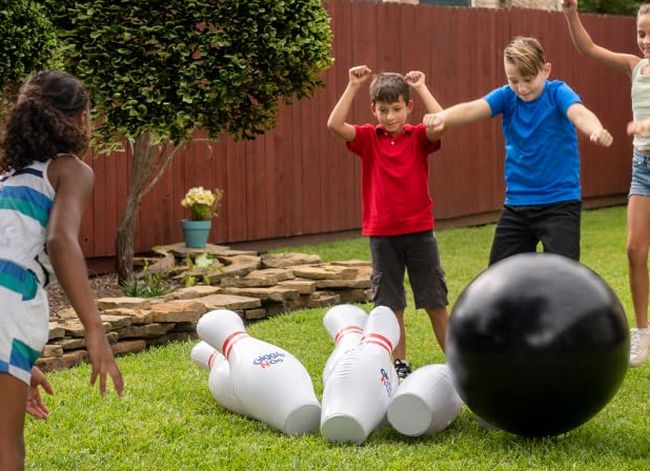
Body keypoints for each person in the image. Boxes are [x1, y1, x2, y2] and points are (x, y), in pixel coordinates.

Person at [0, 70, 124, 470]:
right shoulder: (70, 170)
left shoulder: (6, 179)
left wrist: (23, 366)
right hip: (10, 308)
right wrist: (94, 328)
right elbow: (59, 240)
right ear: (81, 118)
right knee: (6, 447)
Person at [425, 36, 612, 266]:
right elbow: (473, 108)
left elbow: (578, 112)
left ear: (546, 70)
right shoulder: (507, 96)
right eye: (513, 80)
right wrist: (442, 117)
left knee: (562, 273)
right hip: (518, 204)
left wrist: (595, 130)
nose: (521, 88)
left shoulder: (557, 93)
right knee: (500, 271)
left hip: (560, 203)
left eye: (528, 79)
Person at [327, 65, 448, 381]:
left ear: (409, 108)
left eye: (396, 109)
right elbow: (334, 124)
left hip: (420, 233)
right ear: (373, 110)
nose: (390, 116)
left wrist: (421, 87)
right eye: (383, 110)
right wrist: (353, 85)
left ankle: (458, 362)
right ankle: (400, 365)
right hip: (382, 236)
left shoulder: (419, 137)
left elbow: (441, 121)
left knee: (435, 301)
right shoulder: (369, 138)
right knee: (391, 305)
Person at [562, 0, 650, 367]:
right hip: (643, 166)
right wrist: (570, 13)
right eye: (641, 33)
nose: (645, 41)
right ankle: (643, 333)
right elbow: (589, 48)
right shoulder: (636, 67)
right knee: (634, 250)